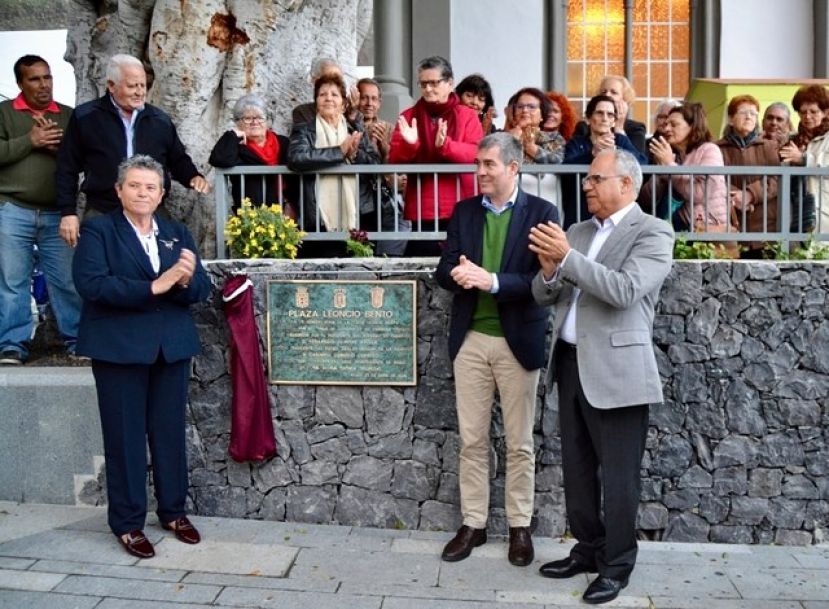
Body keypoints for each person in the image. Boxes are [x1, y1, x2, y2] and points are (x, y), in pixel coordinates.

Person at [529, 148, 673, 605]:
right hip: (570, 364)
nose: (587, 185)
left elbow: (624, 290)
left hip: (619, 372)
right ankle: (588, 550)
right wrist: (551, 272)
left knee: (619, 476)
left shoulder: (653, 232)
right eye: (588, 179)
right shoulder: (578, 231)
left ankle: (617, 565)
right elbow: (544, 294)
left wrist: (567, 259)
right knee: (576, 471)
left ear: (626, 184)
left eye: (596, 178)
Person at [72, 155, 211, 559]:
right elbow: (93, 285)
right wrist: (157, 285)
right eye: (134, 185)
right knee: (126, 438)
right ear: (119, 190)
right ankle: (128, 522)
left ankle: (173, 511)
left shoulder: (176, 232)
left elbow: (198, 288)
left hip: (170, 347)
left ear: (162, 193)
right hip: (119, 349)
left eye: (151, 187)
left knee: (169, 434)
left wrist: (184, 281)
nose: (143, 193)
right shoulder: (98, 230)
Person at [435, 132, 559, 566]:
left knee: (519, 443)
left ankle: (519, 527)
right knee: (472, 440)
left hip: (517, 341)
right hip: (470, 340)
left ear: (513, 167)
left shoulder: (542, 214)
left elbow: (544, 284)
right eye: (477, 164)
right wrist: (461, 274)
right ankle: (474, 524)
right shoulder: (465, 211)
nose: (480, 172)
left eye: (489, 164)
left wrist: (491, 281)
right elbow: (443, 268)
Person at [56, 54, 209, 247]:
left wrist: (192, 176)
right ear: (111, 86)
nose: (139, 92)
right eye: (132, 86)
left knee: (163, 265)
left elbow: (177, 158)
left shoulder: (159, 120)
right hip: (103, 209)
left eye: (142, 85)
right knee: (100, 268)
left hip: (151, 211)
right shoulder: (86, 117)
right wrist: (68, 212)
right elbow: (66, 167)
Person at [0, 55, 82, 365]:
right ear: (20, 83)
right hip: (12, 209)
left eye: (47, 77)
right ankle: (12, 345)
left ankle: (77, 339)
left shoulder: (68, 116)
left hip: (59, 213)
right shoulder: (4, 113)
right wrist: (30, 140)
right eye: (34, 79)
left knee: (66, 279)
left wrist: (60, 150)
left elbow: (84, 159)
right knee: (12, 281)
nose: (43, 84)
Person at [388, 56, 483, 256]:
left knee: (462, 265)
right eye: (423, 84)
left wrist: (446, 146)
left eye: (434, 83)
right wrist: (410, 144)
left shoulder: (467, 115)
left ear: (450, 83)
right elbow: (395, 159)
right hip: (424, 206)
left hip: (461, 203)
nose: (428, 89)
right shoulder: (408, 116)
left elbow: (476, 154)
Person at [287, 73, 380, 257]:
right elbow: (296, 158)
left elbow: (374, 162)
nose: (328, 98)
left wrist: (354, 156)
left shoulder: (355, 129)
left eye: (334, 94)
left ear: (344, 103)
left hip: (359, 212)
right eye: (322, 94)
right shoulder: (305, 129)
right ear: (316, 102)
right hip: (318, 216)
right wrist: (339, 152)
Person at [562, 94, 646, 228]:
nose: (605, 118)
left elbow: (642, 163)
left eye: (610, 114)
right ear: (588, 118)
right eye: (599, 113)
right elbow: (565, 170)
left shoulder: (620, 140)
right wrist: (591, 154)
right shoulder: (577, 143)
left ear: (614, 121)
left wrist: (616, 151)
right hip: (581, 211)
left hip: (614, 214)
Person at [643, 102, 728, 229]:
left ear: (692, 126)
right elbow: (647, 199)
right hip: (675, 225)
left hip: (703, 228)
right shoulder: (671, 154)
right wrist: (661, 171)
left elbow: (701, 193)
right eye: (666, 124)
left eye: (674, 124)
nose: (666, 129)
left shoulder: (709, 150)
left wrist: (669, 165)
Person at [208, 93, 295, 213]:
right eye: (247, 118)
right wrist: (232, 135)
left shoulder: (283, 143)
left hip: (284, 212)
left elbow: (295, 177)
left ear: (266, 120)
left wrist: (291, 204)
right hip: (251, 217)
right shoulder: (236, 147)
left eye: (259, 117)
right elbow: (218, 159)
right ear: (238, 123)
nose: (255, 122)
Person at [716, 95, 780, 258]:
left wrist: (750, 194)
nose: (749, 116)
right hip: (731, 222)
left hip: (765, 226)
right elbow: (715, 179)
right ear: (731, 119)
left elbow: (777, 179)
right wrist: (736, 195)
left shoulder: (769, 146)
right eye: (743, 112)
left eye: (753, 113)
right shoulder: (717, 148)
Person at [779, 85, 829, 232]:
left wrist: (803, 159)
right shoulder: (792, 139)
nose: (807, 117)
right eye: (803, 112)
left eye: (813, 112)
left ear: (826, 112)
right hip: (795, 210)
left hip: (823, 210)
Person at [505, 87, 564, 206]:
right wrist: (513, 139)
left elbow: (558, 161)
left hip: (546, 199)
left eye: (531, 107)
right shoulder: (502, 138)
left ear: (542, 115)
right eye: (520, 107)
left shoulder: (554, 138)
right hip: (510, 201)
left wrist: (533, 150)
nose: (525, 110)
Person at [573, 75, 647, 155]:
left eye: (613, 92)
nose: (607, 95)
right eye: (603, 92)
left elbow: (639, 163)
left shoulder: (635, 129)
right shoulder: (583, 128)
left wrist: (619, 129)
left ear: (625, 100)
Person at [292, 57, 360, 128]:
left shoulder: (352, 113)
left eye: (338, 80)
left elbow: (363, 137)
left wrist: (352, 115)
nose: (333, 84)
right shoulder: (303, 112)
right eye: (327, 80)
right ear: (315, 82)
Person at [356, 78, 393, 161]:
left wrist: (384, 147)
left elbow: (397, 166)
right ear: (355, 99)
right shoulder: (347, 126)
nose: (369, 103)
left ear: (379, 103)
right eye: (364, 98)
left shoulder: (390, 129)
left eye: (374, 99)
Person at [647, 99, 682, 164]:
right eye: (662, 117)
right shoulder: (645, 145)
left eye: (670, 117)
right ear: (656, 119)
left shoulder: (685, 147)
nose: (666, 121)